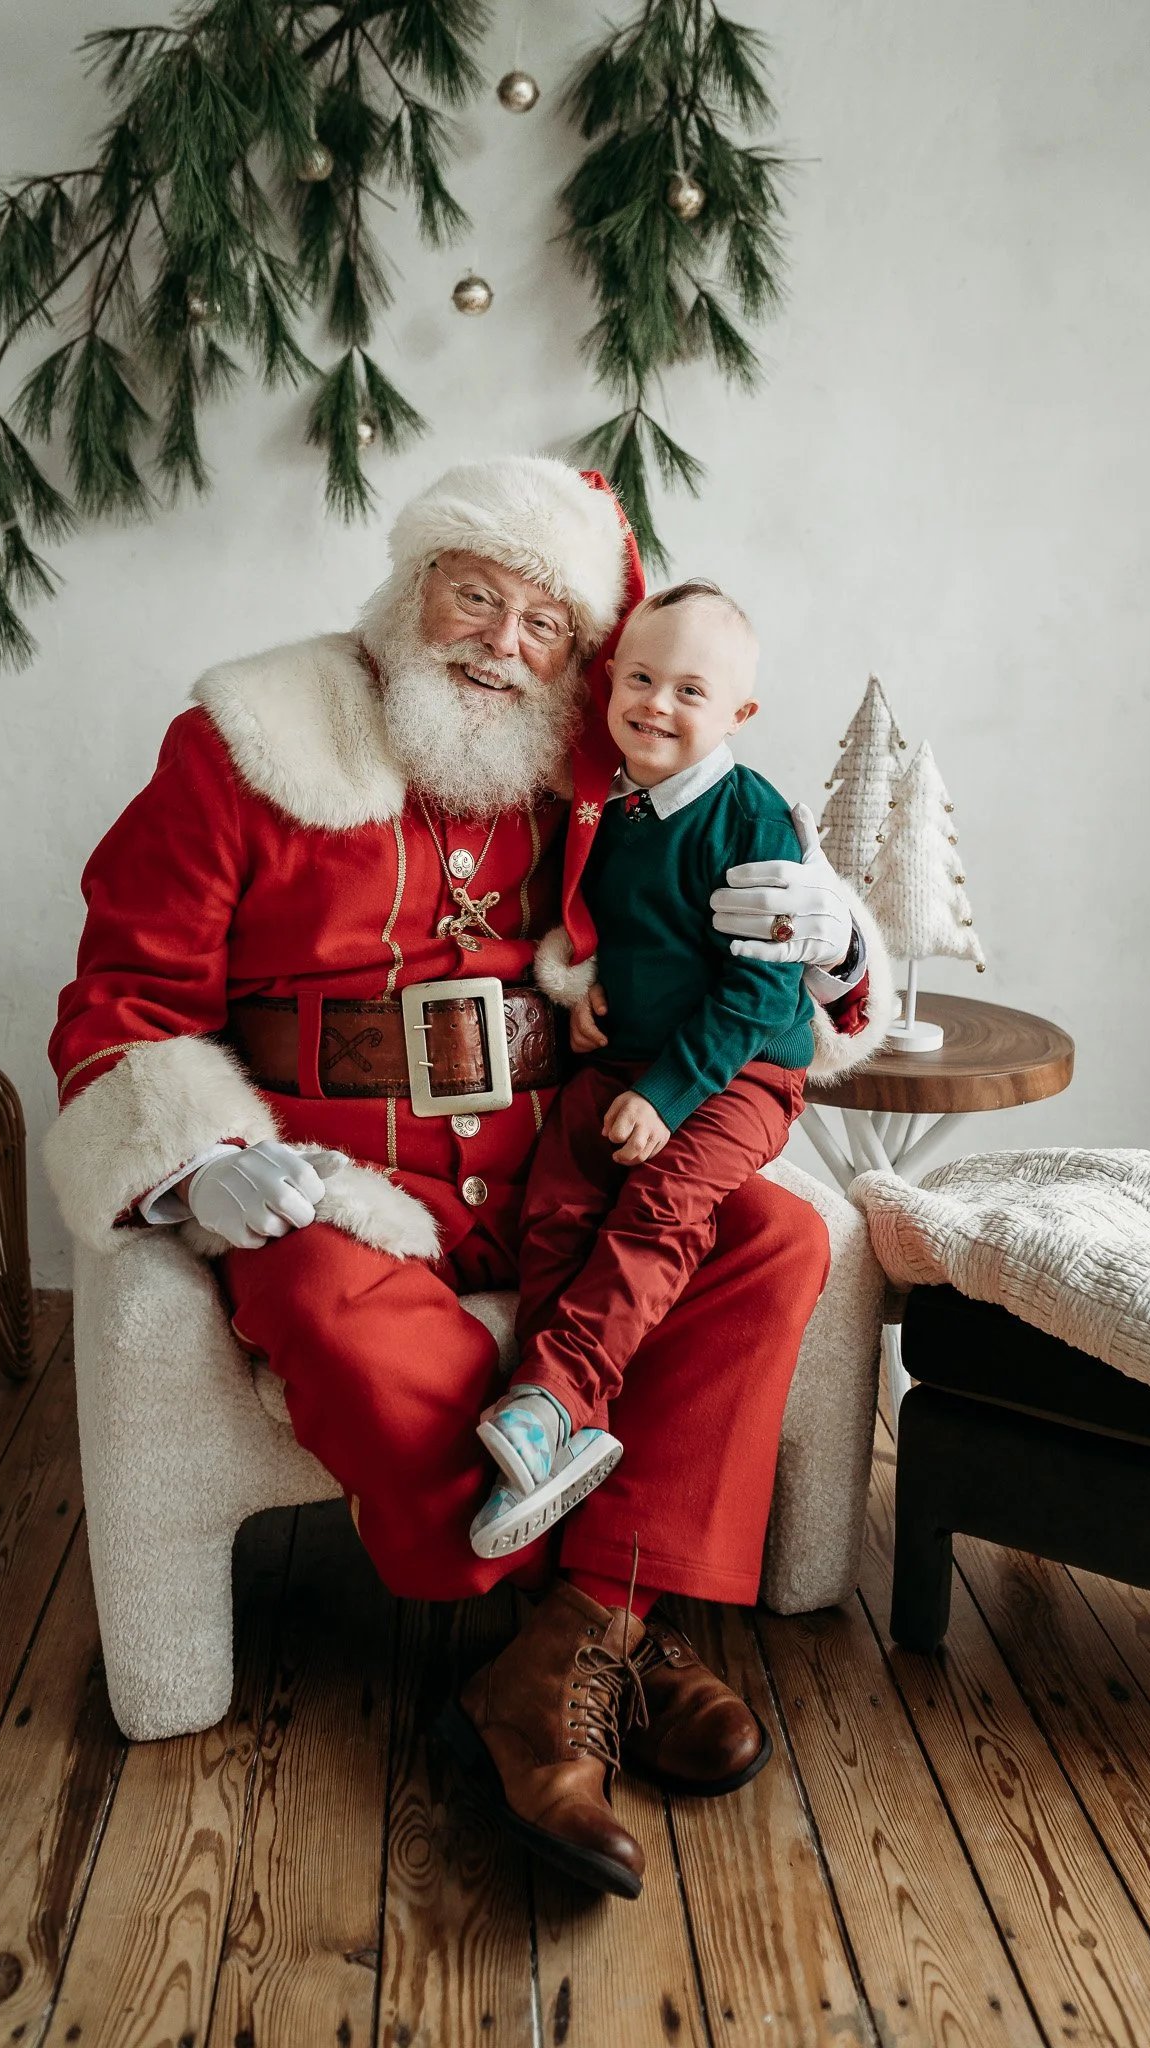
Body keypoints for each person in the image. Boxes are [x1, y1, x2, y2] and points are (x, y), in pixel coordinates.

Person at [45, 456, 892, 1900]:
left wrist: (839, 936)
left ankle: (566, 1650)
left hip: (557, 1146)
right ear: (409, 584)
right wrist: (192, 1163)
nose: (502, 641)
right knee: (318, 1296)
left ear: (582, 654)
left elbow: (725, 885)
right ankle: (608, 1621)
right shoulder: (242, 739)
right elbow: (122, 991)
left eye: (544, 621)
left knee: (769, 1236)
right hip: (334, 1170)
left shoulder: (591, 766)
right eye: (473, 593)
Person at [471, 578, 819, 1560]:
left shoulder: (756, 823)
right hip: (628, 1052)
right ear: (609, 682)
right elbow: (602, 928)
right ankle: (545, 1418)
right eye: (640, 677)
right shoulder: (611, 808)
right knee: (556, 1192)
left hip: (739, 1069)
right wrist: (580, 993)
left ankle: (558, 1392)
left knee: (660, 1201)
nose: (656, 704)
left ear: (738, 713)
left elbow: (757, 993)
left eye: (690, 691)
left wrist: (670, 1098)